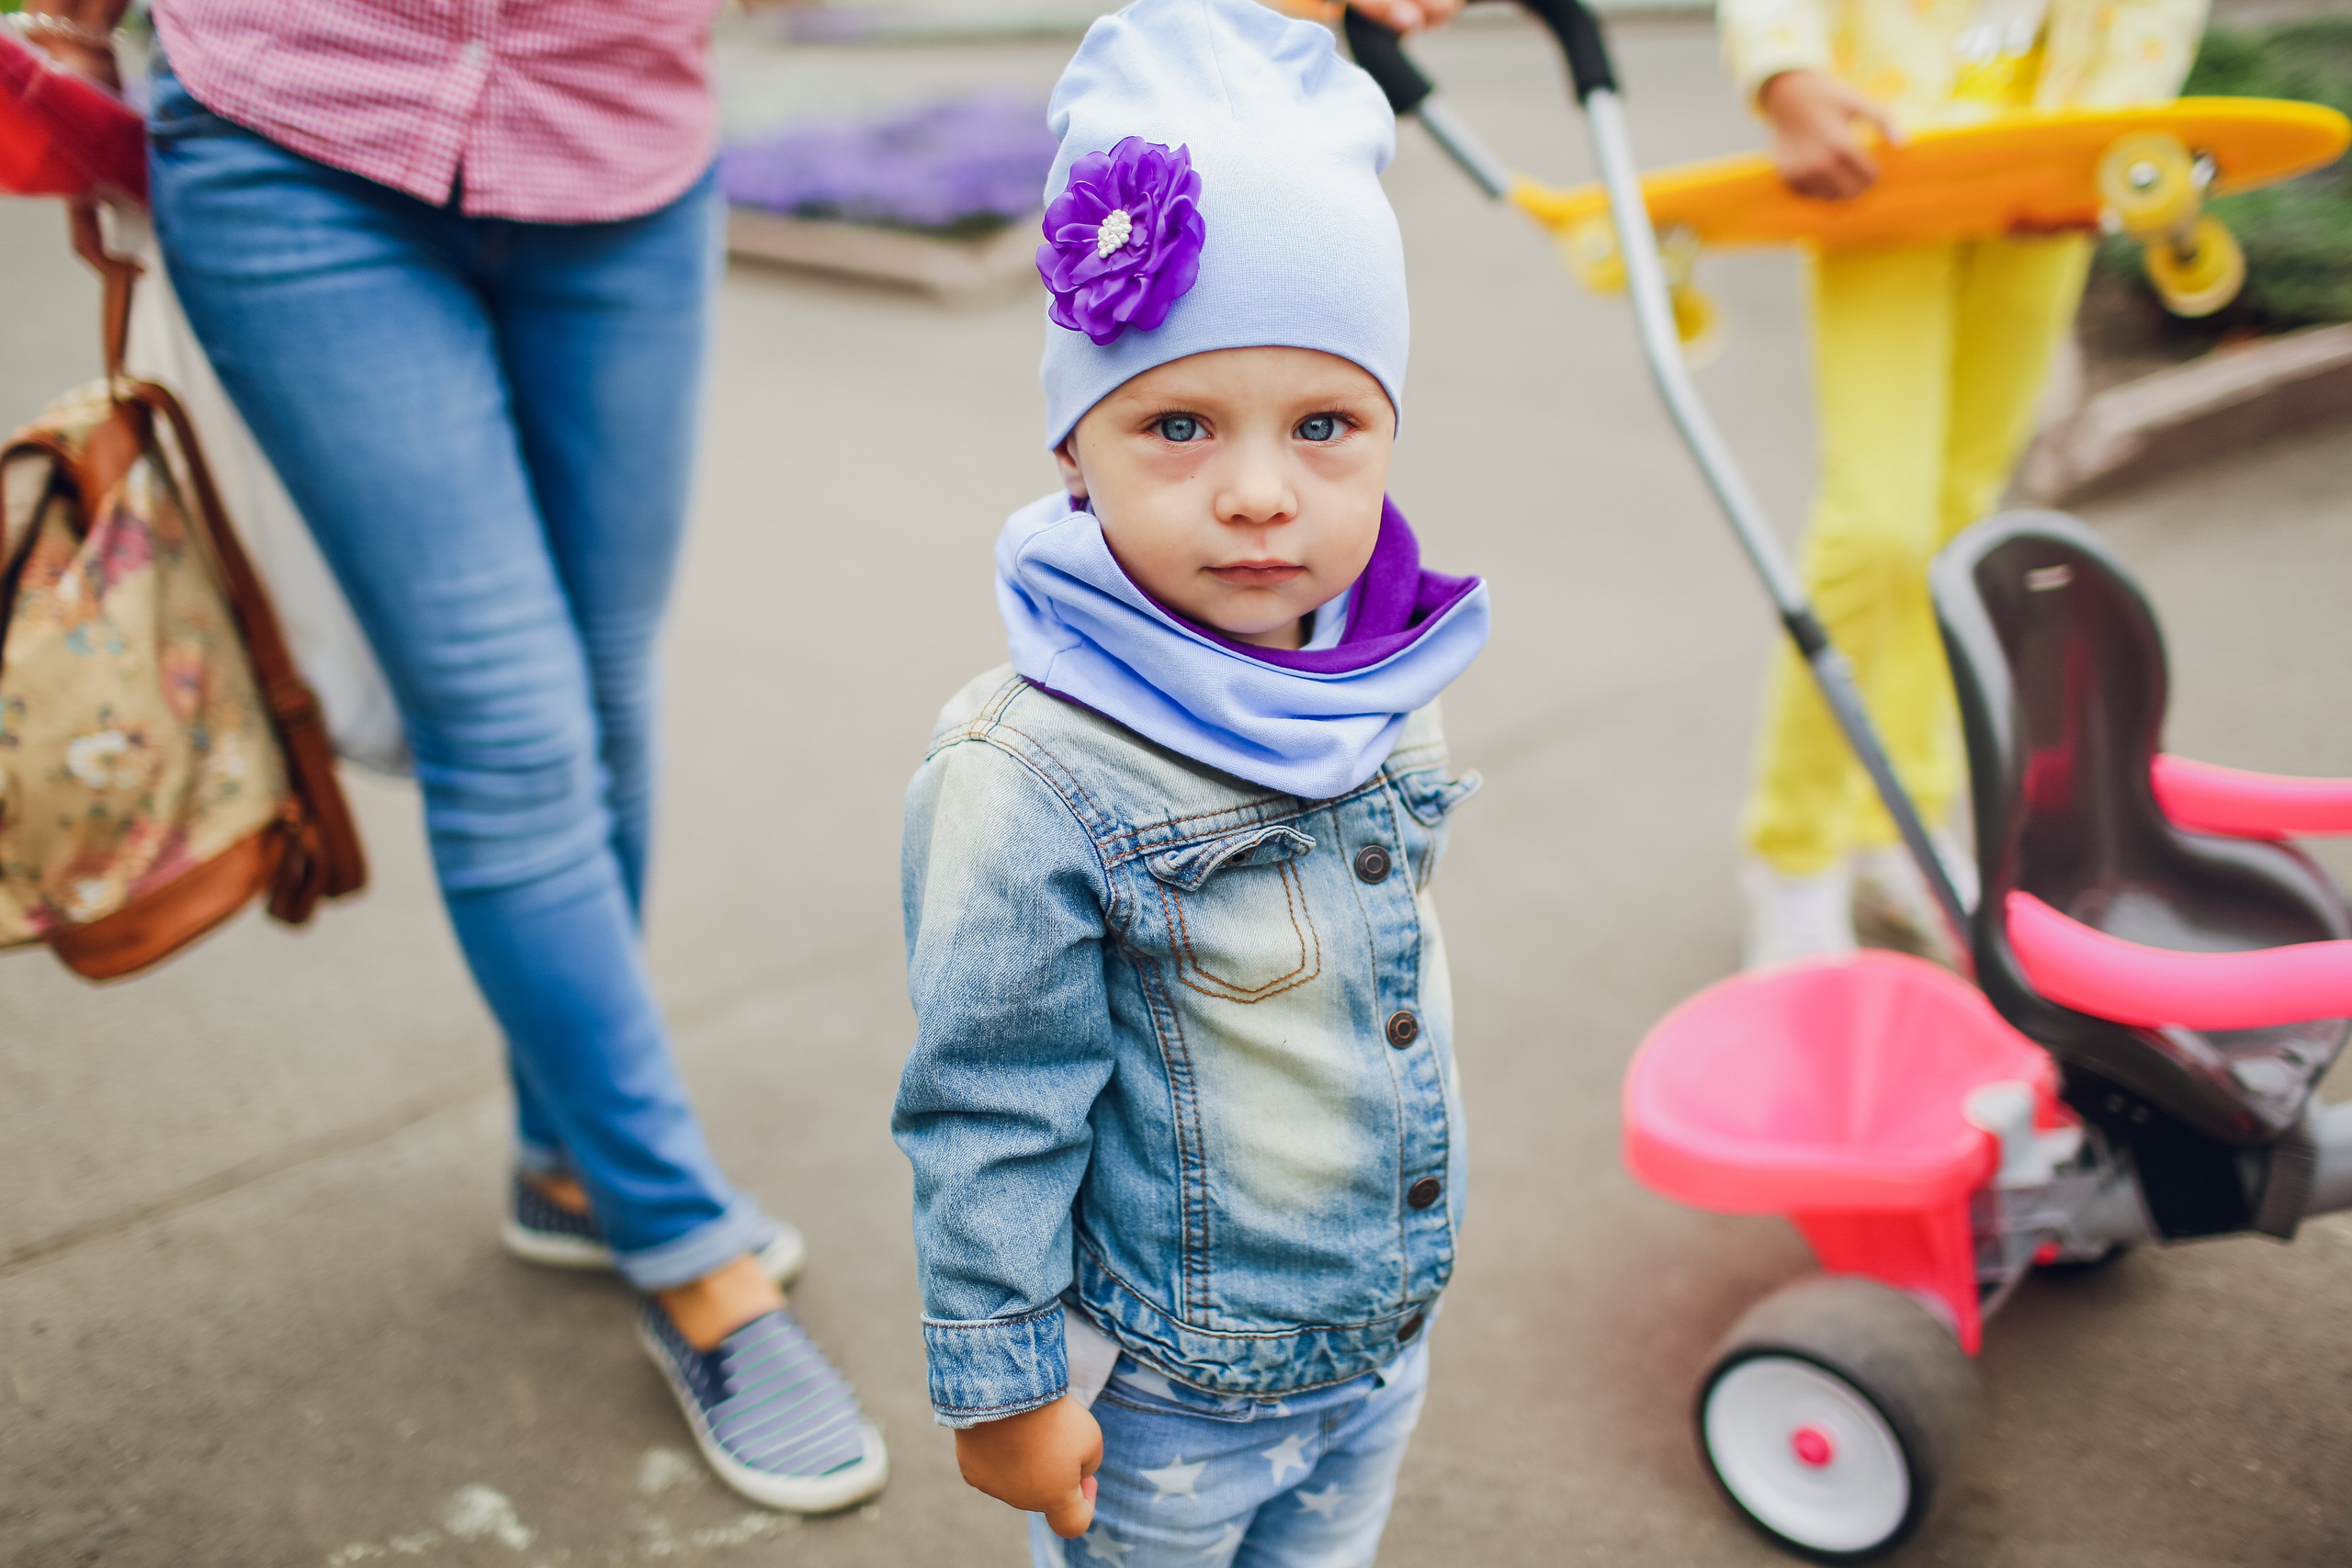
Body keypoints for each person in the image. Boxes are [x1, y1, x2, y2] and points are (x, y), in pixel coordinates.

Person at [15, 0, 890, 1510]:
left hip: (623, 137)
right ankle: (693, 1258)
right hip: (299, 133)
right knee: (515, 727)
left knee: (606, 690)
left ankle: (571, 1161)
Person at [891, 3, 1492, 1562]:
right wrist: (1005, 1384)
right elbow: (990, 1096)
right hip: (1175, 1394)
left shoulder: (1374, 672)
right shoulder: (1030, 763)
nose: (1256, 490)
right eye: (1177, 421)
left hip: (1375, 1342)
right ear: (1075, 446)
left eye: (1325, 424)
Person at [1721, 0, 2207, 966]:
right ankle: (1793, 851)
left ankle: (1896, 822)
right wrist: (1784, 73)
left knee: (1953, 535)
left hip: (2049, 170)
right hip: (1882, 159)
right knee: (1876, 532)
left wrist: (2108, 130)